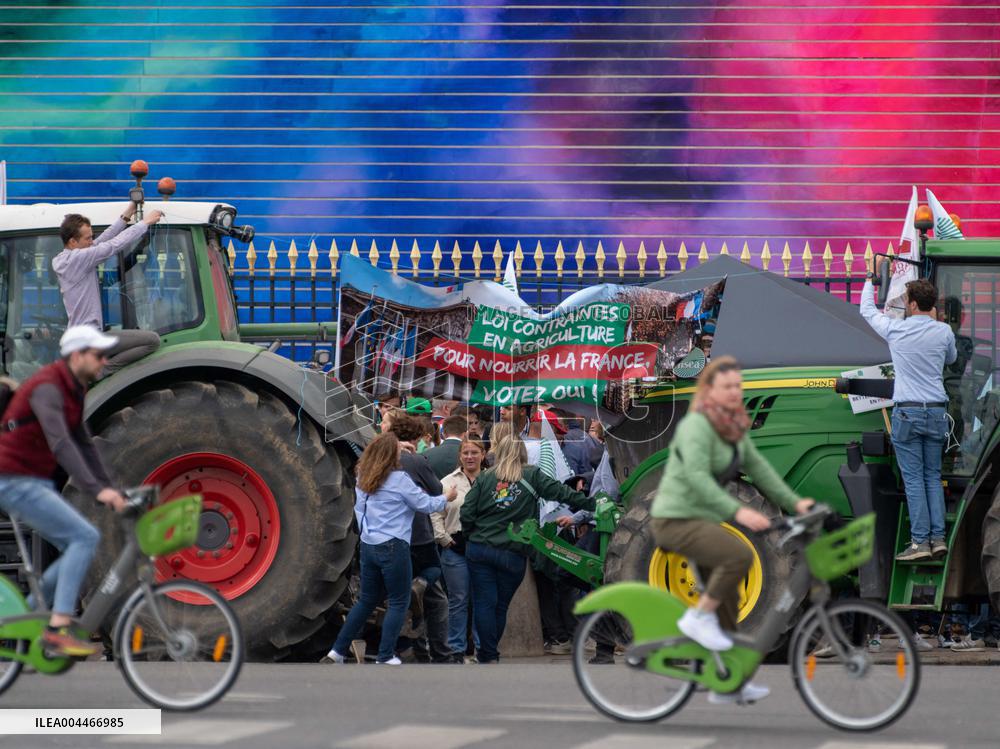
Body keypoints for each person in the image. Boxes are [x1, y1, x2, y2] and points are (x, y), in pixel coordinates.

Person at [650, 356, 814, 704]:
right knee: (738, 555)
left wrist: (798, 504)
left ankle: (729, 682)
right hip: (676, 518)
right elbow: (696, 478)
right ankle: (697, 619)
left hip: (702, 520)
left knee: (732, 599)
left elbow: (762, 471)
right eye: (727, 386)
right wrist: (738, 510)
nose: (735, 391)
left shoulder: (733, 429)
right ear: (709, 391)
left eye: (738, 386)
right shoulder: (696, 426)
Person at [0, 326, 128, 656]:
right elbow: (61, 445)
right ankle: (57, 628)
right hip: (14, 480)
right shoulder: (47, 388)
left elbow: (84, 444)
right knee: (84, 538)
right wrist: (97, 492)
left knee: (73, 547)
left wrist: (113, 488)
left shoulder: (73, 390)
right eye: (98, 355)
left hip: (32, 481)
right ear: (77, 356)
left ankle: (20, 620)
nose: (104, 361)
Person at [322, 432, 457, 666]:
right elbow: (425, 505)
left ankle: (337, 652)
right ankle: (385, 655)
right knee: (398, 601)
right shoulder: (400, 479)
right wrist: (448, 497)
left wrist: (395, 445)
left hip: (369, 544)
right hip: (394, 545)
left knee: (366, 601)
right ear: (392, 456)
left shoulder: (363, 475)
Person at [460, 435, 595, 664]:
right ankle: (489, 653)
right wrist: (593, 504)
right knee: (500, 606)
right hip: (513, 551)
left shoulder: (484, 478)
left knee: (484, 603)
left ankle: (487, 654)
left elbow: (466, 513)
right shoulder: (532, 475)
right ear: (522, 452)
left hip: (480, 548)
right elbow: (562, 493)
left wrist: (472, 534)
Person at [862, 266, 957, 561]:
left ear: (913, 304)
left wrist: (868, 281)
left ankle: (919, 543)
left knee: (914, 480)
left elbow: (866, 310)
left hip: (908, 413)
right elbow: (952, 359)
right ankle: (938, 539)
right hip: (937, 413)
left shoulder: (896, 329)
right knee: (931, 476)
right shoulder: (944, 331)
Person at [53, 205, 164, 374]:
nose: (92, 242)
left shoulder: (70, 257)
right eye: (88, 239)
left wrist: (127, 215)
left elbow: (104, 239)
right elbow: (113, 245)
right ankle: (102, 372)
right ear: (73, 242)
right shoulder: (78, 259)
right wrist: (145, 223)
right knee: (152, 341)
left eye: (92, 238)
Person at [384, 411, 454, 663]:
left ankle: (394, 649)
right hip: (419, 533)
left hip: (387, 535)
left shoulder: (379, 459)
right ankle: (440, 652)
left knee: (390, 596)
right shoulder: (416, 461)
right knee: (436, 594)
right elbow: (436, 490)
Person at [433, 438, 488, 659]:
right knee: (458, 600)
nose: (469, 457)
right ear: (460, 456)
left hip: (484, 547)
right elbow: (435, 513)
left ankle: (482, 647)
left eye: (474, 452)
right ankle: (456, 648)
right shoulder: (447, 482)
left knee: (482, 600)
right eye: (465, 453)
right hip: (456, 548)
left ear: (483, 455)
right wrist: (442, 538)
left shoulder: (492, 480)